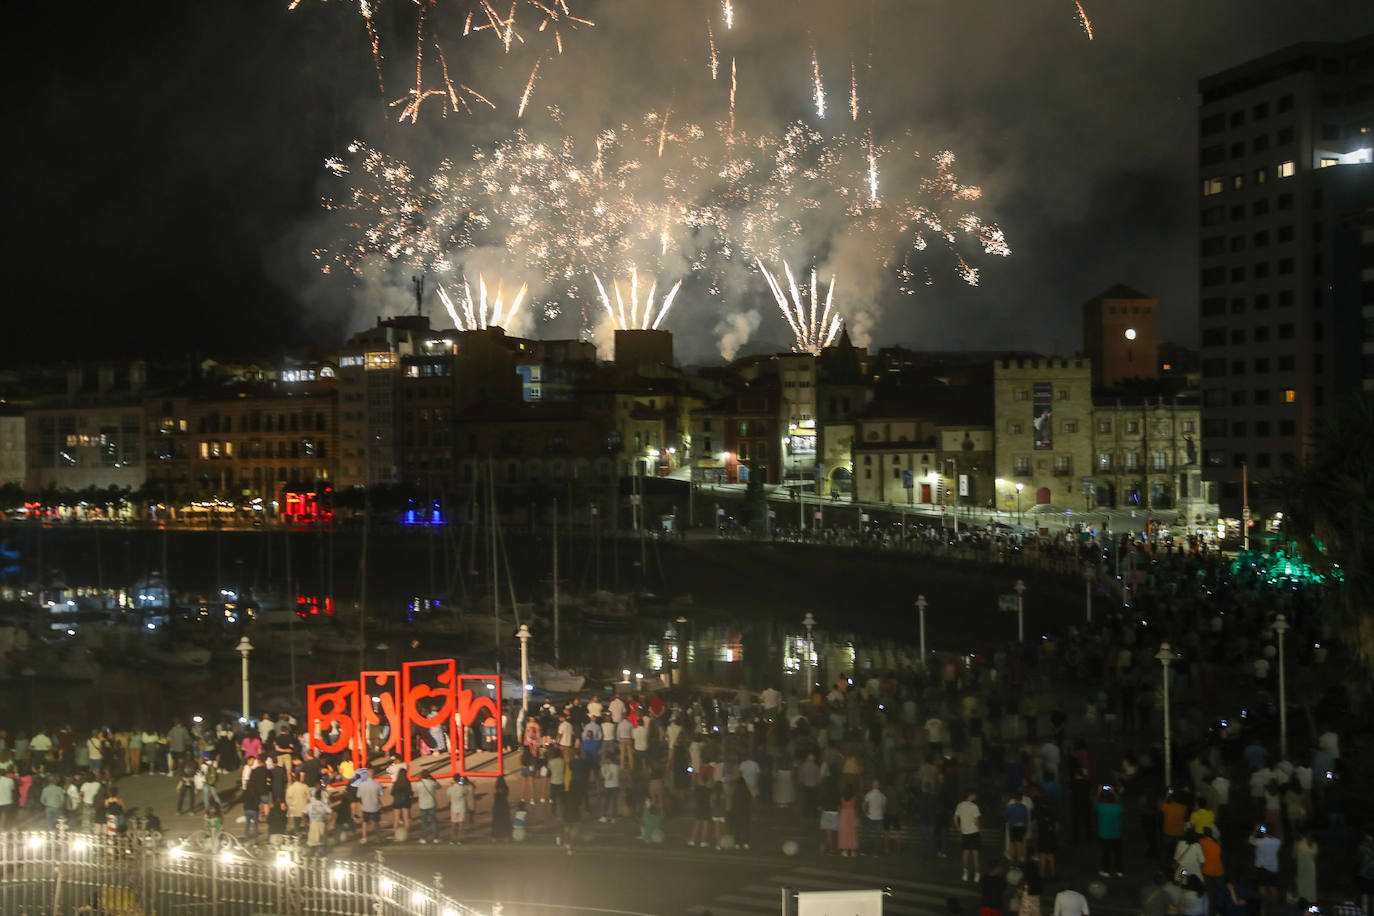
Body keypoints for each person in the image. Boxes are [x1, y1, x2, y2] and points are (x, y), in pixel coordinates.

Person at [1251, 824, 1282, 915]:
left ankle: (1263, 907)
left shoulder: (1259, 842)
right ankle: (1274, 906)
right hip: (1273, 868)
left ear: (1264, 832)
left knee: (1262, 887)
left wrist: (1256, 830)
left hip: (1262, 867)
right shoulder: (1277, 842)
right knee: (1274, 888)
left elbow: (1251, 839)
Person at [1094, 787, 1124, 878]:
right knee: (1118, 853)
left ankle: (1106, 870)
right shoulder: (1118, 807)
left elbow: (1095, 801)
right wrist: (1113, 792)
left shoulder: (1101, 807)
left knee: (1105, 853)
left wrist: (1099, 792)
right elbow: (1119, 801)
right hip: (1116, 834)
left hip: (1104, 835)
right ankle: (1119, 870)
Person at [956, 792, 983, 882]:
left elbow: (955, 817)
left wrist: (958, 827)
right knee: (975, 854)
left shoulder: (960, 805)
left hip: (965, 832)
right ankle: (977, 875)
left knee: (965, 853)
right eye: (974, 795)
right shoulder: (974, 806)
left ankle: (965, 874)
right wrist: (979, 829)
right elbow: (976, 821)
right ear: (970, 796)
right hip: (974, 832)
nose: (975, 797)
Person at [355, 769, 383, 845]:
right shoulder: (377, 784)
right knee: (376, 822)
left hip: (365, 806)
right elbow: (381, 794)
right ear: (373, 774)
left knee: (364, 822)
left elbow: (358, 795)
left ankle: (364, 838)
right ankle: (378, 838)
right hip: (375, 806)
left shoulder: (362, 785)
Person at [862, 779, 887, 858]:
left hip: (870, 817)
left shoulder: (868, 794)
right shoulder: (883, 796)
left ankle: (865, 851)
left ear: (872, 786)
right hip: (879, 818)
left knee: (867, 835)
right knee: (877, 836)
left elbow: (864, 805)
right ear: (879, 786)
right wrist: (882, 814)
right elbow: (884, 809)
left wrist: (865, 812)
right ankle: (875, 853)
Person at [1293, 830, 1318, 904]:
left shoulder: (1298, 844)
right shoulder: (1314, 845)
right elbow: (1315, 857)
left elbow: (1293, 856)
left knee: (1302, 886)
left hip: (1301, 867)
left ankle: (1302, 904)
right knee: (1311, 887)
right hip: (1311, 868)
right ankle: (1312, 906)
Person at [1005, 792, 1030, 865]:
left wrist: (1009, 821)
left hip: (1013, 826)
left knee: (1012, 844)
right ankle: (1019, 860)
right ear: (1021, 799)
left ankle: (1012, 860)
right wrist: (1026, 827)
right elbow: (1026, 819)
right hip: (1021, 827)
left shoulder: (1011, 806)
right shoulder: (1024, 807)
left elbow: (1006, 816)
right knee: (1019, 843)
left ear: (1014, 799)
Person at [448, 775, 474, 846]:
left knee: (453, 824)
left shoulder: (450, 788)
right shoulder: (463, 788)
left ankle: (452, 840)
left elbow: (448, 794)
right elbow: (467, 792)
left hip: (453, 808)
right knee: (461, 824)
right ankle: (459, 840)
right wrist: (461, 783)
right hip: (462, 807)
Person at [305, 790, 331, 857]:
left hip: (313, 824)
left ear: (314, 796)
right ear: (321, 797)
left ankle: (312, 857)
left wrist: (305, 822)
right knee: (322, 842)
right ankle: (322, 858)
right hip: (321, 824)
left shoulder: (310, 805)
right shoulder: (323, 805)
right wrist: (328, 821)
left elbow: (303, 813)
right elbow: (331, 812)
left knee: (312, 843)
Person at [415, 772, 439, 844]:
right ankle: (435, 838)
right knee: (434, 822)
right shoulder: (432, 783)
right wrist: (433, 779)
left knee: (424, 822)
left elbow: (414, 790)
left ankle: (423, 838)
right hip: (431, 804)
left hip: (422, 805)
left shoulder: (418, 784)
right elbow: (439, 786)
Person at [729, 778, 753, 850]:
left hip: (737, 813)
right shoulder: (747, 792)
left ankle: (737, 844)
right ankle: (746, 843)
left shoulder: (735, 793)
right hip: (745, 814)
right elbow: (750, 804)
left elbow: (733, 804)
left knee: (737, 829)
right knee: (745, 828)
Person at [389, 766, 413, 836]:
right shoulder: (407, 782)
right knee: (406, 818)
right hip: (406, 801)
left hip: (397, 801)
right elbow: (410, 793)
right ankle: (406, 833)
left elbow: (392, 793)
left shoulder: (396, 783)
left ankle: (395, 833)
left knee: (396, 818)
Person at [838, 786, 859, 858]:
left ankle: (845, 851)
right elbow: (855, 805)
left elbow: (840, 806)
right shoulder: (854, 798)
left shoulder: (842, 798)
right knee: (852, 832)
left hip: (844, 814)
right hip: (852, 814)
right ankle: (853, 851)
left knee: (844, 832)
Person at [490, 775, 511, 842]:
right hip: (504, 806)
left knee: (497, 822)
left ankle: (495, 837)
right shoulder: (506, 789)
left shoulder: (496, 790)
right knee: (505, 821)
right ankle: (506, 837)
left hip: (497, 807)